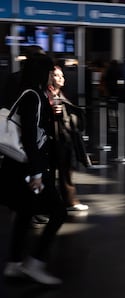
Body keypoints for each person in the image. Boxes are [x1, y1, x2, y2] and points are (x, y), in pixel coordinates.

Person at [0, 53, 67, 285]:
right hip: (29, 167)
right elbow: (30, 137)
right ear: (41, 71)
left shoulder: (24, 92)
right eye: (50, 71)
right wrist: (37, 173)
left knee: (25, 211)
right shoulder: (34, 96)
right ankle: (35, 263)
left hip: (17, 165)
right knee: (59, 212)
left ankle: (14, 263)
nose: (53, 75)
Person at [47, 65, 91, 211]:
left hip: (64, 137)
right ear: (49, 77)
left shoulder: (60, 94)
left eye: (62, 75)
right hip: (52, 139)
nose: (61, 78)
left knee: (66, 169)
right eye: (57, 75)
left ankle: (69, 201)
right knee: (52, 172)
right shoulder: (46, 94)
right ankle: (50, 205)